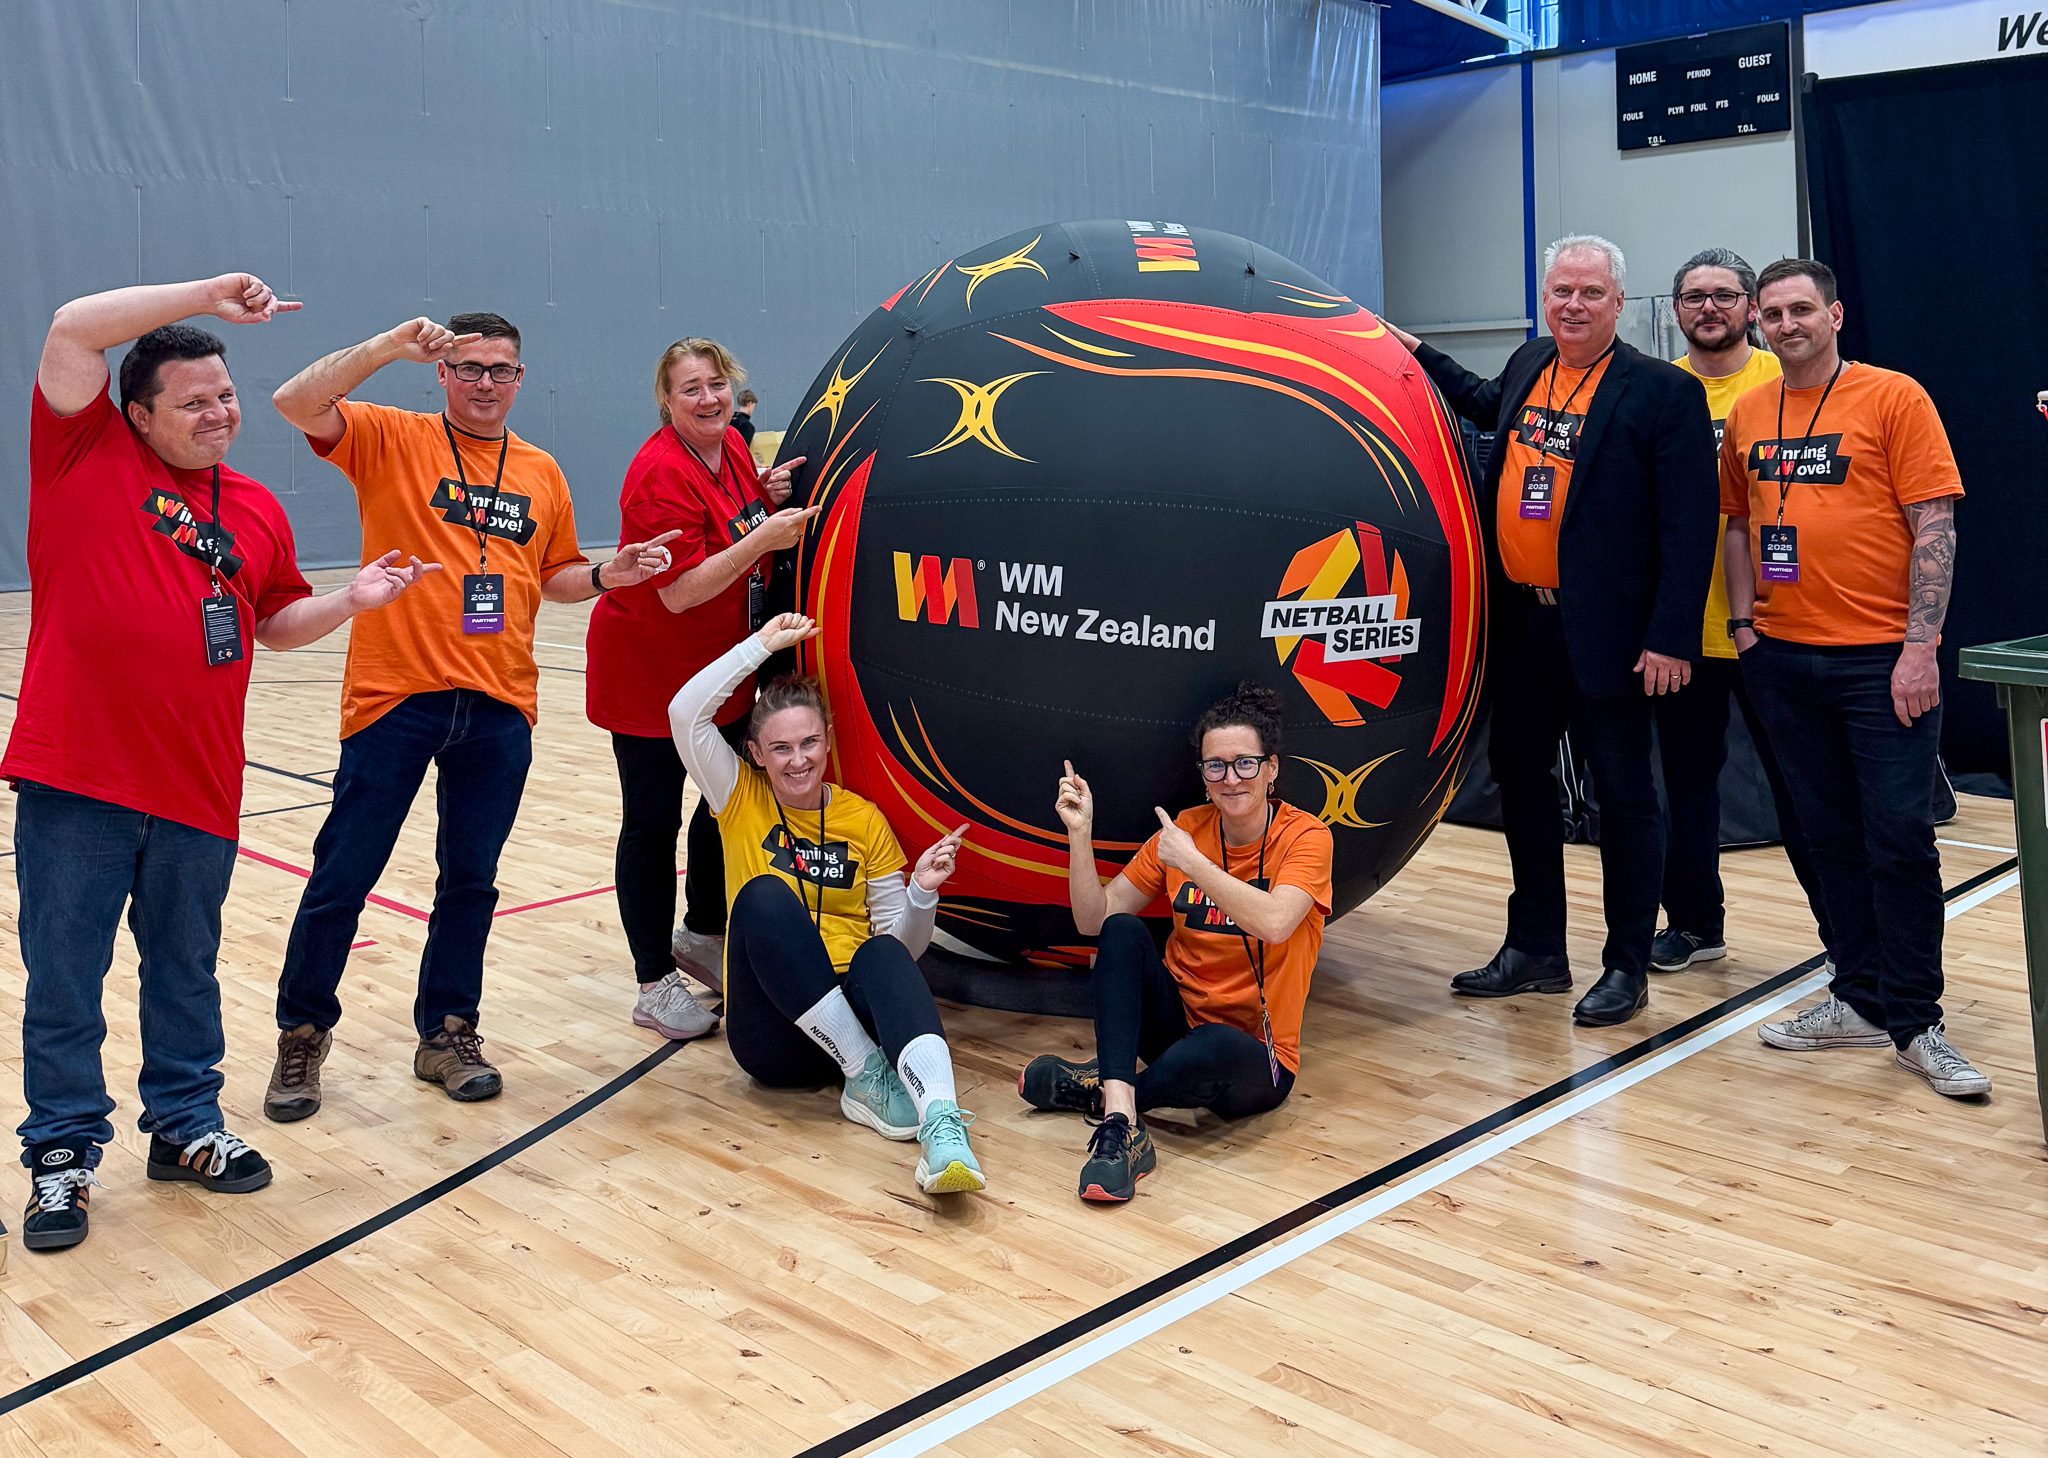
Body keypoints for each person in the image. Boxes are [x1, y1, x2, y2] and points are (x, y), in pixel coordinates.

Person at [8, 274, 438, 1252]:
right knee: (65, 980)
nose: (220, 413)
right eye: (194, 401)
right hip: (78, 777)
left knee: (186, 970)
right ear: (139, 415)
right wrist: (209, 294)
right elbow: (72, 328)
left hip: (199, 784)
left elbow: (274, 621)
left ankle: (184, 1125)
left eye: (227, 394)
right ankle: (63, 1152)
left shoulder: (252, 507)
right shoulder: (81, 452)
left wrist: (351, 601)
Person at [263, 313, 679, 1121]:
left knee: (471, 883)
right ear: (443, 374)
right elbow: (293, 400)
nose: (486, 382)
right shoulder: (390, 437)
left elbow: (555, 574)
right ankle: (303, 1033)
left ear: (520, 379)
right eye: (470, 367)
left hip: (498, 704)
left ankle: (448, 1032)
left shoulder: (540, 470)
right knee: (344, 875)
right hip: (395, 698)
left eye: (501, 369)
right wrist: (385, 346)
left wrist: (608, 574)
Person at [1389, 236, 1718, 1027]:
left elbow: (1691, 526)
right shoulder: (1532, 362)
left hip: (1612, 635)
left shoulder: (1663, 391)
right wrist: (1414, 350)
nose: (1573, 305)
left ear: (1618, 302)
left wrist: (1671, 636)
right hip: (1523, 624)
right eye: (1561, 291)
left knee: (1625, 798)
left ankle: (1626, 964)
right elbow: (1482, 401)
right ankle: (1536, 948)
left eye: (1590, 293)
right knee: (1521, 779)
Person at [1723, 259, 1989, 1096]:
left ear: (1834, 315)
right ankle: (1860, 997)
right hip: (1781, 657)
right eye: (1773, 313)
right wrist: (1744, 628)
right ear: (1758, 321)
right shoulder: (1750, 411)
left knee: (1899, 839)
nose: (1787, 324)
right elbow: (1739, 524)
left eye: (1802, 309)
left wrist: (1920, 647)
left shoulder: (1893, 397)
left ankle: (1917, 1021)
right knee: (1825, 837)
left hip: (1881, 660)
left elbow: (1934, 523)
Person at [670, 613, 986, 1194]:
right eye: (781, 747)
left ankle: (943, 1130)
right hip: (776, 1036)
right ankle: (866, 1074)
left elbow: (904, 947)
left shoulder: (863, 820)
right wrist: (760, 645)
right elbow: (684, 714)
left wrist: (922, 893)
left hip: (856, 1015)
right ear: (756, 753)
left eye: (809, 742)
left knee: (882, 953)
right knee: (763, 897)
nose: (798, 760)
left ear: (828, 740)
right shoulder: (738, 795)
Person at [1021, 682, 1333, 1204]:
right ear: (1203, 775)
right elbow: (1093, 919)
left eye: (1245, 764)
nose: (1230, 778)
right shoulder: (1187, 828)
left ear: (1271, 769)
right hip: (1176, 1029)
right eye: (1215, 766)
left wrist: (1192, 862)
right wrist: (1080, 834)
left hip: (1256, 1056)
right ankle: (1121, 1125)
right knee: (1122, 931)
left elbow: (1276, 923)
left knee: (1216, 1047)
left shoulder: (1306, 837)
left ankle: (1107, 1093)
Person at [585, 339, 813, 1039]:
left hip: (721, 669)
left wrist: (764, 498)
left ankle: (703, 932)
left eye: (717, 383)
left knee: (724, 804)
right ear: (666, 401)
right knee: (652, 824)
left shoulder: (733, 447)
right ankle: (654, 982)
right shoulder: (659, 474)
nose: (709, 398)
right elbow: (680, 591)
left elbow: (734, 521)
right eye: (691, 389)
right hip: (650, 675)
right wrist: (763, 540)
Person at [1651, 248, 1833, 974]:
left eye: (1725, 295)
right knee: (1686, 790)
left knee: (1804, 790)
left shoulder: (1780, 379)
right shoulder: (1659, 390)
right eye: (1695, 296)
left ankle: (1843, 934)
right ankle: (1695, 926)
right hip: (1685, 633)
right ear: (1676, 309)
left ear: (1751, 308)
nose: (1709, 308)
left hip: (1774, 627)